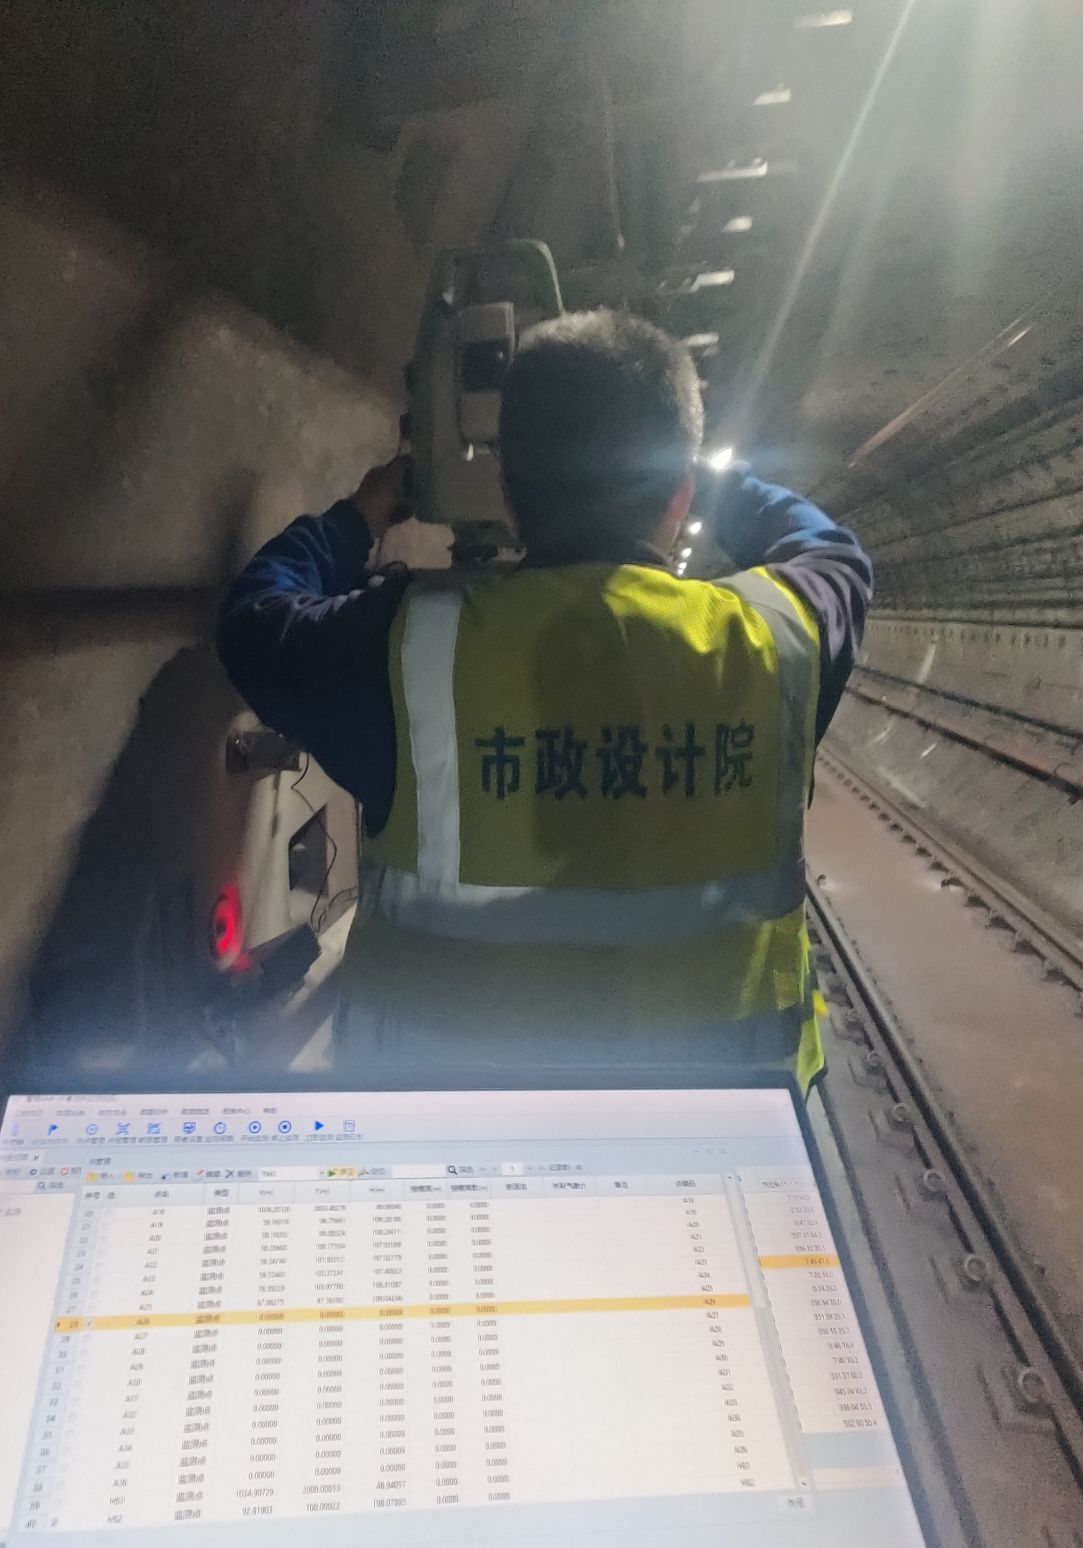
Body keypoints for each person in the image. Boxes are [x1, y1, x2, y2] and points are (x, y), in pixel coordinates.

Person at [217, 310, 871, 1083]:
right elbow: (831, 551)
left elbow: (254, 619)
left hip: (452, 1132)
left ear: (506, 485)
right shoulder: (775, 641)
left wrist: (359, 515)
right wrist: (706, 481)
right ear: (680, 494)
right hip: (725, 1129)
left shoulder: (408, 649)